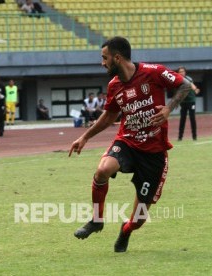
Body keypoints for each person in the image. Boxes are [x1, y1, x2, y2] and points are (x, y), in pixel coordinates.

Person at [69, 36, 192, 253]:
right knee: (102, 170)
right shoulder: (114, 85)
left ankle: (126, 230)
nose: (102, 63)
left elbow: (185, 85)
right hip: (127, 142)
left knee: (139, 219)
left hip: (154, 153)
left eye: (104, 58)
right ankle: (97, 220)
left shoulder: (153, 72)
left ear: (117, 58)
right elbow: (108, 117)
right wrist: (85, 137)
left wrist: (168, 108)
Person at [177, 66, 200, 141]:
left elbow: (191, 85)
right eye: (180, 72)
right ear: (178, 73)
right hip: (183, 103)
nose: (181, 73)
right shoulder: (177, 80)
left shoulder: (188, 79)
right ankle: (180, 137)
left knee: (192, 118)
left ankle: (194, 137)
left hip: (191, 102)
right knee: (182, 119)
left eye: (182, 71)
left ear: (185, 72)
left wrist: (195, 89)